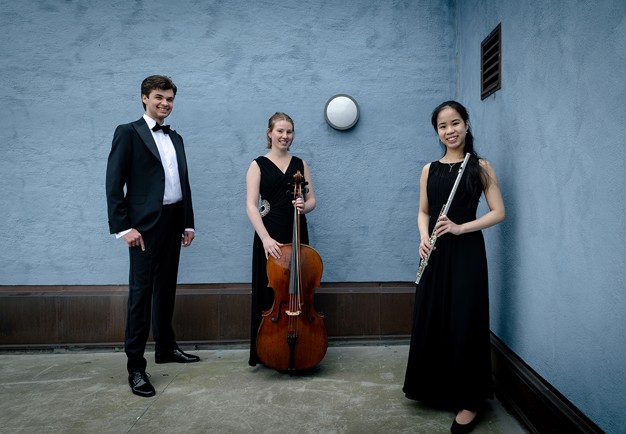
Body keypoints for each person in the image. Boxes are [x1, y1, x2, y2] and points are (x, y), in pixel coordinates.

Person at [403, 101, 505, 433]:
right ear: (437, 131)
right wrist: (422, 237)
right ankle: (438, 387)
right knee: (434, 316)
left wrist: (461, 228)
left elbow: (497, 212)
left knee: (465, 319)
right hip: (433, 251)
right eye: (443, 126)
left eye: (455, 123)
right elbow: (423, 211)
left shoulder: (481, 166)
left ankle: (470, 400)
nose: (450, 130)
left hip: (466, 252)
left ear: (466, 124)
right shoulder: (428, 169)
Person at [106, 75, 199, 398]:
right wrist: (123, 228)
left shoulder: (177, 138)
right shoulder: (128, 133)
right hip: (143, 227)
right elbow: (113, 183)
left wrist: (188, 223)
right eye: (159, 97)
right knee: (141, 295)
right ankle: (135, 367)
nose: (165, 104)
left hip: (173, 221)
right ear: (144, 98)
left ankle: (165, 346)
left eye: (170, 99)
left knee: (166, 289)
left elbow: (182, 183)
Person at [245, 112, 316, 367]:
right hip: (269, 236)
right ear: (269, 133)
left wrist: (303, 206)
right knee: (270, 292)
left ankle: (300, 342)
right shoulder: (257, 165)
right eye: (280, 131)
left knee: (299, 287)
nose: (285, 136)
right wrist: (265, 239)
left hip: (297, 231)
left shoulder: (300, 163)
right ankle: (268, 350)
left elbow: (312, 200)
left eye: (289, 132)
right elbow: (251, 206)